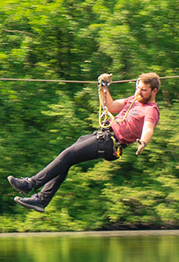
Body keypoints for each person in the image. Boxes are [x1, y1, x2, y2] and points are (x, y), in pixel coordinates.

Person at [8, 72, 161, 213]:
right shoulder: (132, 100)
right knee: (66, 160)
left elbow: (148, 128)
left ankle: (30, 184)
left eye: (143, 90)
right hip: (103, 134)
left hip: (111, 142)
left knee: (67, 155)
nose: (138, 93)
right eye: (138, 88)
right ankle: (41, 200)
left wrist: (143, 141)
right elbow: (111, 106)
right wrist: (103, 87)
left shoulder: (151, 110)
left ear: (154, 91)